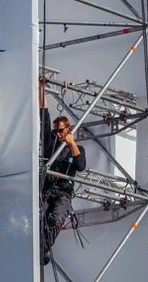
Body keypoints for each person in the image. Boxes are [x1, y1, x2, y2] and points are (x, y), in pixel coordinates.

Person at [39, 76, 86, 266]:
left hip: (63, 193)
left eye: (61, 131)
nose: (58, 134)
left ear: (69, 129)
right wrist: (41, 86)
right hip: (46, 190)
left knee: (56, 219)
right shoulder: (50, 143)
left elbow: (80, 165)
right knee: (37, 218)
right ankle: (39, 247)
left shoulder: (77, 148)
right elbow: (44, 115)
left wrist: (72, 143)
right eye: (56, 131)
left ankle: (42, 248)